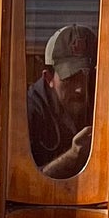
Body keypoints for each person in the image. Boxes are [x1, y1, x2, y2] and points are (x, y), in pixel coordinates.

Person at [28, 24, 96, 179]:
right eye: (70, 78)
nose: (80, 89)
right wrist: (73, 156)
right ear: (48, 78)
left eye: (86, 77)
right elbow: (23, 185)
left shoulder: (102, 98)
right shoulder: (28, 112)